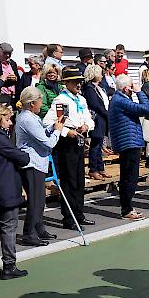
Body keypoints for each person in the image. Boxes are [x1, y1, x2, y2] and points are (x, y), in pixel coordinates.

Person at [42, 67, 95, 230]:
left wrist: (87, 125)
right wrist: (66, 131)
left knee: (79, 180)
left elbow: (88, 118)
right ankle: (69, 218)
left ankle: (79, 214)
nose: (79, 85)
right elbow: (48, 121)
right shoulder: (61, 100)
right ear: (67, 83)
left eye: (80, 82)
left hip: (79, 140)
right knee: (69, 180)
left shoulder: (81, 99)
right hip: (67, 143)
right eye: (76, 82)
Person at [15, 87, 63, 247]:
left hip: (37, 163)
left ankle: (39, 228)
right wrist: (57, 131)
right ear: (32, 103)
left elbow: (41, 133)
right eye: (40, 100)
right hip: (31, 164)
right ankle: (29, 233)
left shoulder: (31, 117)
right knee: (35, 201)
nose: (41, 104)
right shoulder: (27, 119)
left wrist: (51, 128)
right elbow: (48, 142)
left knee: (40, 200)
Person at [0, 103, 30, 279]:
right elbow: (22, 157)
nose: (10, 122)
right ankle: (9, 266)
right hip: (5, 190)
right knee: (8, 228)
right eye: (7, 119)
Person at [108, 74, 149, 220]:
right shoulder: (120, 100)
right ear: (127, 88)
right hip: (128, 142)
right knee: (129, 177)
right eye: (132, 86)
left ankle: (128, 207)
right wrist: (139, 92)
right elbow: (145, 109)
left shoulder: (120, 99)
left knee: (130, 176)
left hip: (130, 140)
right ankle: (126, 209)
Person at [82, 64, 110, 180]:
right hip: (97, 119)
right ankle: (93, 169)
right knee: (95, 146)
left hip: (102, 119)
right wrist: (107, 114)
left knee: (99, 145)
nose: (102, 75)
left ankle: (100, 168)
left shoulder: (98, 87)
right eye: (100, 73)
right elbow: (95, 105)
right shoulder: (89, 88)